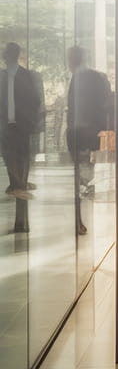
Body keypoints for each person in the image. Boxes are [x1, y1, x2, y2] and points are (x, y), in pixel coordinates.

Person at [66, 47, 113, 236]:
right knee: (81, 175)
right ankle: (79, 218)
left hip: (84, 134)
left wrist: (96, 126)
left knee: (83, 176)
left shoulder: (90, 77)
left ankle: (81, 217)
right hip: (79, 134)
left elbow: (103, 103)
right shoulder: (80, 77)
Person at [1, 43, 42, 233]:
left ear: (14, 55)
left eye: (8, 52)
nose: (5, 55)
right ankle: (17, 186)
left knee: (22, 163)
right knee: (10, 161)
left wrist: (29, 122)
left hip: (21, 128)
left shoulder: (27, 76)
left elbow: (35, 101)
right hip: (4, 128)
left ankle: (21, 219)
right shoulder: (0, 76)